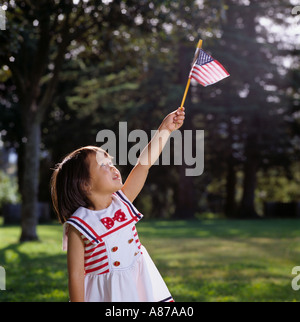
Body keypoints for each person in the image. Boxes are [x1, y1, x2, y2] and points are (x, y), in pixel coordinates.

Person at [50, 107, 185, 302]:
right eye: (103, 165)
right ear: (85, 185)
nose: (112, 167)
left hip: (138, 286)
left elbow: (144, 164)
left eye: (110, 161)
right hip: (105, 295)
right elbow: (76, 276)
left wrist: (165, 129)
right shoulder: (79, 225)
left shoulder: (121, 202)